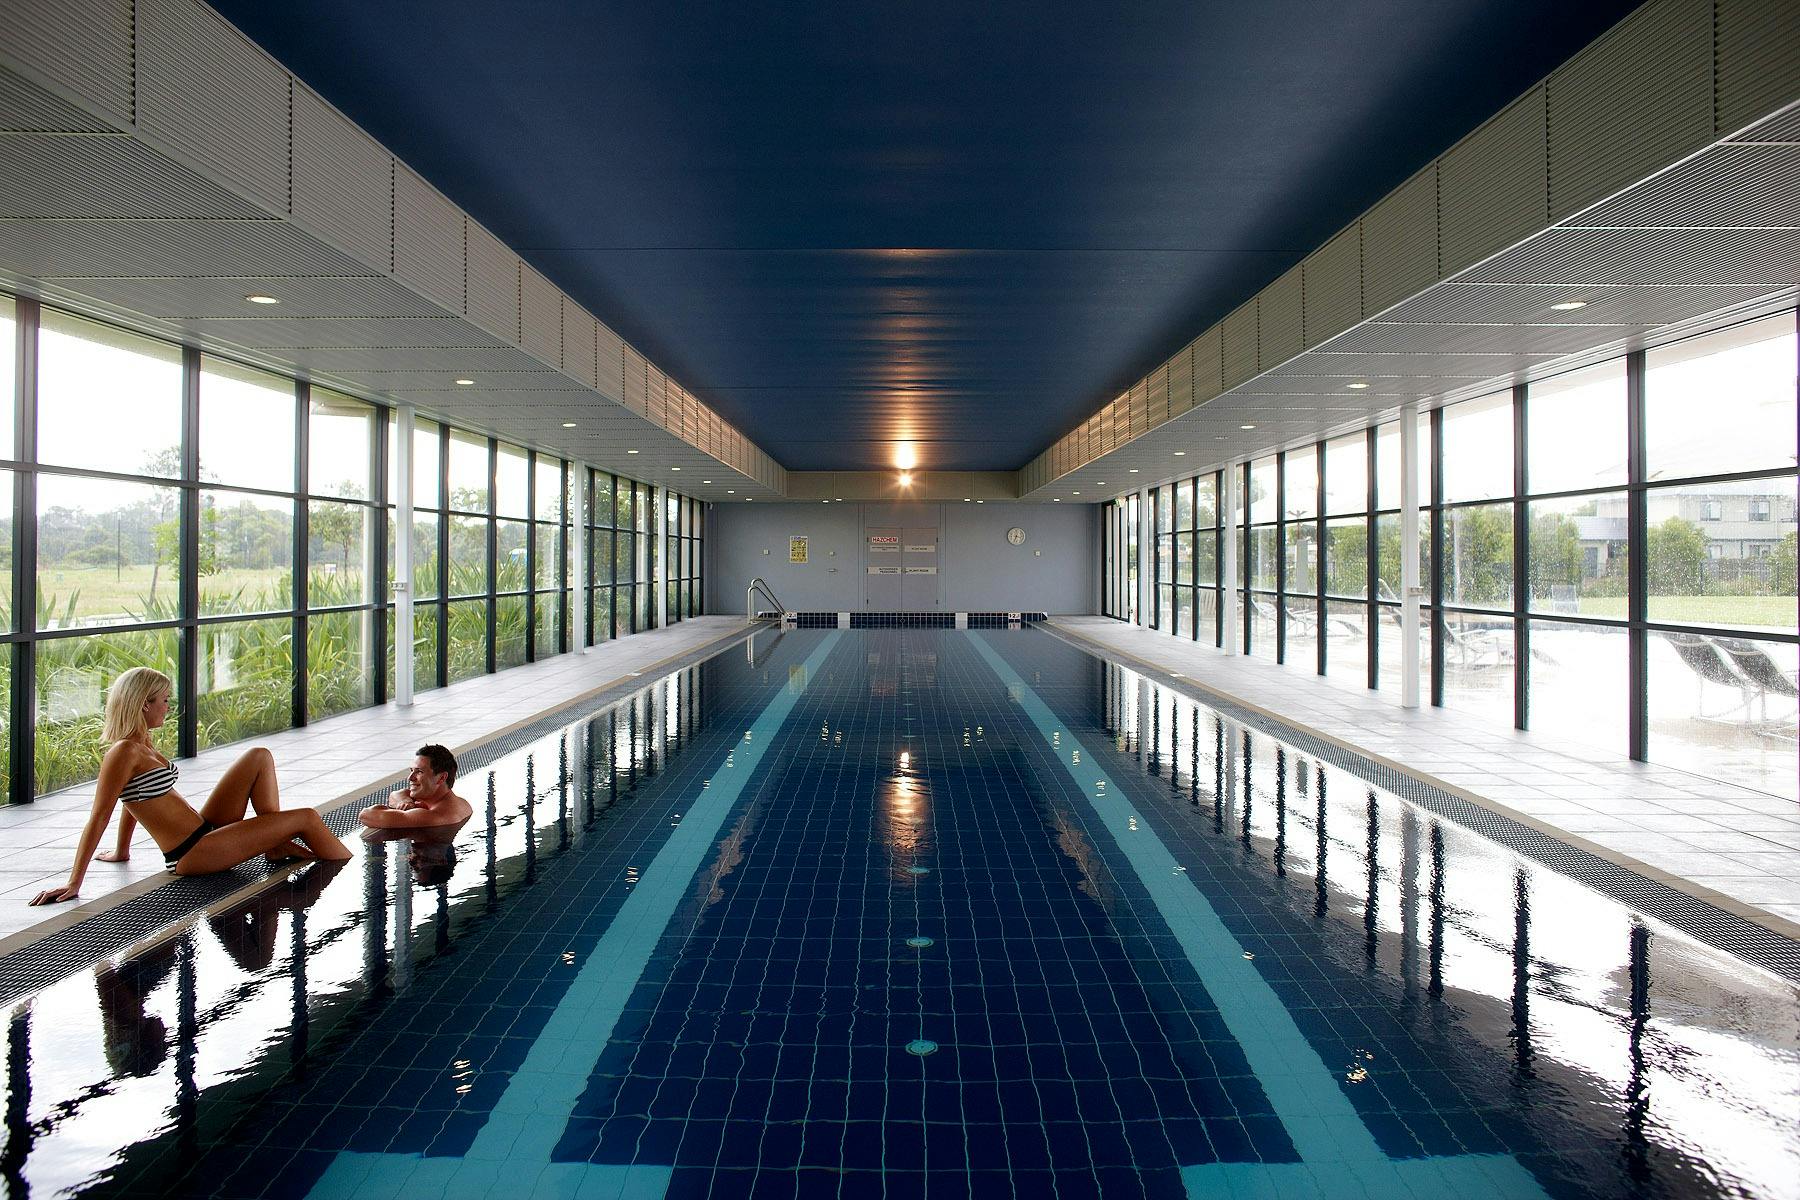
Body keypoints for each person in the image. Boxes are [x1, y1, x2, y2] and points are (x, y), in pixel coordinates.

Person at [29, 668, 352, 906]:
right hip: (192, 852)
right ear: (143, 704)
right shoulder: (123, 751)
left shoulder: (143, 742)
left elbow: (132, 799)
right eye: (164, 701)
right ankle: (342, 864)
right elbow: (100, 814)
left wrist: (122, 851)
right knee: (307, 818)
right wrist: (74, 882)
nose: (168, 708)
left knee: (258, 756)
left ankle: (276, 843)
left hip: (205, 829)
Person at [358, 744, 472, 830]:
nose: (410, 777)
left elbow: (365, 815)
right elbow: (396, 794)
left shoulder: (432, 817)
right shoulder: (462, 803)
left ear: (442, 778)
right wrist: (406, 801)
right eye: (412, 770)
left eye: (419, 772)